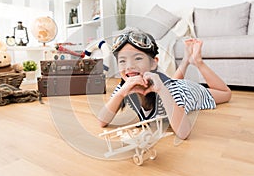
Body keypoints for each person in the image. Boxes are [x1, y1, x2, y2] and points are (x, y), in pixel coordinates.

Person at [97, 31, 231, 140]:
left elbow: (183, 133)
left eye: (138, 58)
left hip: (189, 91)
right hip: (174, 84)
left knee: (226, 93)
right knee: (172, 83)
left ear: (154, 63)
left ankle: (197, 60)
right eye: (122, 61)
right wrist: (121, 93)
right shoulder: (125, 86)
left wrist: (162, 89)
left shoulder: (169, 89)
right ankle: (185, 60)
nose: (129, 66)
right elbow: (102, 121)